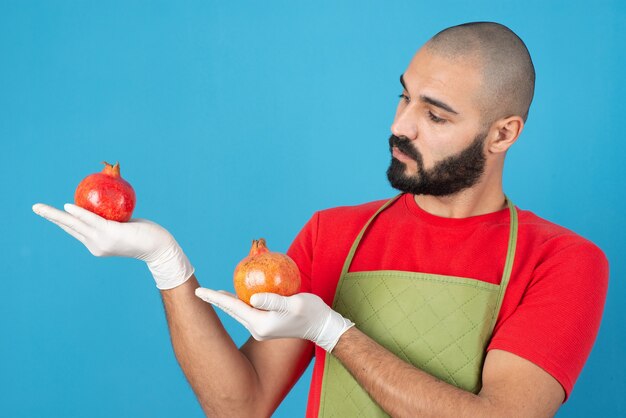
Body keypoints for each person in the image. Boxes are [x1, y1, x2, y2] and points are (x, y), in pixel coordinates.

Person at [33, 21, 609, 417]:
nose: (402, 126)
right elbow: (240, 405)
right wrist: (166, 264)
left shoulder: (563, 262)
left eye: (434, 114)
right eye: (403, 97)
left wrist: (333, 333)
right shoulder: (333, 234)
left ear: (503, 134)